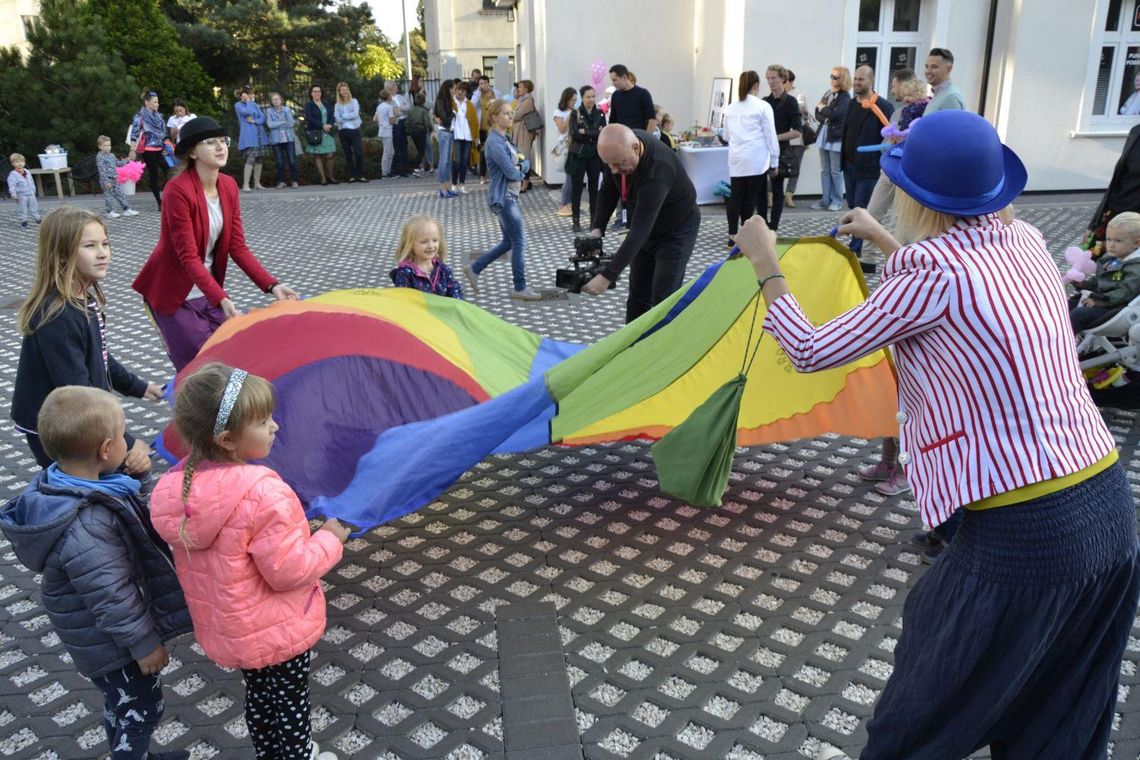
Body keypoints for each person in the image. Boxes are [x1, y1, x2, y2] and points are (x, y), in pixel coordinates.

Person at [737, 109, 1139, 760]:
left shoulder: (929, 271)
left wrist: (765, 262)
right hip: (1110, 513)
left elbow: (811, 350)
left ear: (911, 195)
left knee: (914, 728)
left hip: (1027, 535)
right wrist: (880, 238)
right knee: (1056, 728)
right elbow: (960, 291)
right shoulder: (1027, 243)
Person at [149, 363, 349, 760]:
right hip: (277, 628)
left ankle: (269, 753)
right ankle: (298, 755)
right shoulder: (262, 492)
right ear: (227, 438)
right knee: (291, 703)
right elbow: (289, 570)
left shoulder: (178, 487)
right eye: (262, 421)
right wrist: (330, 538)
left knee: (260, 696)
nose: (274, 426)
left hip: (235, 629)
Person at [0, 386, 192, 760]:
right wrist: (144, 644)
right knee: (141, 710)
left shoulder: (75, 483)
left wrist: (142, 479)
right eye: (123, 435)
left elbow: (130, 514)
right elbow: (111, 594)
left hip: (101, 634)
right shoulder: (85, 523)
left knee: (121, 704)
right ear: (105, 449)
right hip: (112, 643)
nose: (126, 442)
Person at [132, 117, 300, 372]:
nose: (221, 147)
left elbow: (237, 246)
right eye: (210, 143)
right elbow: (188, 256)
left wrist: (272, 284)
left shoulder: (229, 185)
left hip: (207, 291)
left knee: (228, 359)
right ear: (192, 152)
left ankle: (227, 412)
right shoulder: (177, 190)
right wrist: (221, 297)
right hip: (174, 294)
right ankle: (190, 411)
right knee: (200, 370)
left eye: (223, 141)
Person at [13, 204, 162, 471]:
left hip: (80, 416)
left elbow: (100, 356)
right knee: (83, 492)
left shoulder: (84, 299)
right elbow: (79, 392)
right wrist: (126, 444)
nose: (103, 253)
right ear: (61, 255)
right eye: (90, 246)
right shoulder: (58, 315)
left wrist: (138, 386)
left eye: (105, 243)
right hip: (58, 429)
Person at [582, 124, 700, 323]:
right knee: (638, 295)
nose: (613, 169)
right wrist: (597, 229)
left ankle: (664, 349)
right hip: (646, 227)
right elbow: (609, 190)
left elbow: (639, 230)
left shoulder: (658, 169)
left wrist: (607, 276)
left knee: (664, 297)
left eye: (618, 164)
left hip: (676, 231)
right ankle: (633, 348)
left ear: (636, 148)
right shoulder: (615, 153)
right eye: (609, 164)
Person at [465, 99, 541, 301]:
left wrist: (522, 167)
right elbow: (513, 172)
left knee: (508, 242)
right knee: (519, 241)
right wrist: (521, 168)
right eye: (506, 113)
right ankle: (520, 287)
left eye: (511, 113)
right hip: (504, 198)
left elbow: (525, 161)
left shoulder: (505, 138)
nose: (510, 116)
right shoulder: (494, 142)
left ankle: (474, 268)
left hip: (509, 197)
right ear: (494, 117)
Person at [841, 65, 893, 260]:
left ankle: (856, 251)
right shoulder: (852, 104)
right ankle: (856, 247)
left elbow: (890, 136)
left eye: (861, 79)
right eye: (855, 79)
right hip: (849, 165)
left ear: (871, 81)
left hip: (869, 168)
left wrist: (878, 157)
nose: (856, 82)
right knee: (853, 206)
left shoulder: (883, 106)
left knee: (863, 210)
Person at [722, 70, 779, 248]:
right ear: (756, 85)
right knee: (752, 197)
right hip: (756, 157)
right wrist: (774, 160)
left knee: (736, 195)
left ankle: (732, 235)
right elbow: (770, 135)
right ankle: (746, 234)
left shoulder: (731, 107)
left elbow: (726, 135)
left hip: (736, 157)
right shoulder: (762, 106)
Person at [1070, 211, 1140, 331]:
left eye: (1118, 241)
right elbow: (1099, 282)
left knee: (1078, 314)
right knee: (1068, 304)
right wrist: (1081, 284)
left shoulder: (1135, 266)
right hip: (1105, 302)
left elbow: (1125, 292)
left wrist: (1099, 301)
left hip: (1117, 308)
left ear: (1137, 243)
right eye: (1109, 239)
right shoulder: (1111, 261)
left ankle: (1065, 344)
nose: (1111, 245)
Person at [865, 69, 918, 223]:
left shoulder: (924, 112)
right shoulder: (897, 113)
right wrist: (889, 143)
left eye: (894, 86)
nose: (892, 90)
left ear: (904, 85)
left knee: (904, 221)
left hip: (907, 175)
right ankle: (865, 247)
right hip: (888, 172)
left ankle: (904, 247)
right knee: (872, 214)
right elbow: (885, 143)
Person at [763, 65, 803, 232]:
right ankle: (763, 223)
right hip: (763, 151)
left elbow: (797, 131)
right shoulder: (764, 102)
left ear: (783, 79)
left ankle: (774, 226)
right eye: (768, 78)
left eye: (774, 78)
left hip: (781, 151)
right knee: (761, 190)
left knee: (777, 189)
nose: (771, 82)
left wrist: (775, 138)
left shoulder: (791, 102)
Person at [1088, 121, 1140, 249]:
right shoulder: (1136, 132)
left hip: (1135, 224)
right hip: (1115, 211)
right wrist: (1093, 224)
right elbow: (1118, 178)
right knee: (1091, 257)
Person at [389, 215, 464, 298]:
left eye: (435, 240)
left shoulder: (443, 270)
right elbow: (404, 301)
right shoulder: (405, 274)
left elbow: (456, 294)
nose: (431, 246)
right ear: (409, 244)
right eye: (424, 242)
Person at [566, 85, 607, 233]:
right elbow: (575, 134)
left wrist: (587, 133)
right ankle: (575, 221)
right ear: (582, 98)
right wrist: (594, 133)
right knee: (576, 189)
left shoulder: (600, 114)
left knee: (594, 189)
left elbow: (604, 133)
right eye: (588, 97)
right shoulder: (575, 114)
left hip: (595, 155)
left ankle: (593, 220)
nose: (591, 99)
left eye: (593, 96)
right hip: (579, 155)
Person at [813, 67, 851, 211]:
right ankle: (825, 200)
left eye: (836, 77)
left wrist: (823, 108)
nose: (832, 79)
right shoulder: (828, 93)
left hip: (836, 137)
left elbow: (836, 115)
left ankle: (837, 200)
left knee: (835, 170)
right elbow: (818, 114)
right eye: (832, 76)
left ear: (843, 79)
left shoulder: (845, 97)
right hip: (824, 134)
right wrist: (824, 111)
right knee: (825, 170)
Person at [128, 90, 169, 208]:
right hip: (148, 150)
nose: (157, 104)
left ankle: (166, 196)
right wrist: (132, 150)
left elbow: (164, 133)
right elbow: (134, 134)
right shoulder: (140, 116)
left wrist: (166, 145)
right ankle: (159, 202)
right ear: (147, 102)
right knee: (153, 175)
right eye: (154, 102)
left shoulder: (159, 116)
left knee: (170, 172)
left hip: (160, 149)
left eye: (158, 102)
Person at [233, 86, 268, 192]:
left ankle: (257, 183)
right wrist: (248, 101)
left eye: (250, 94)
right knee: (250, 158)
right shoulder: (238, 105)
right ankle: (246, 185)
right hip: (249, 136)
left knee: (259, 158)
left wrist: (255, 121)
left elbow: (262, 118)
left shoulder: (255, 105)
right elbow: (247, 112)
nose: (251, 96)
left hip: (260, 135)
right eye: (249, 94)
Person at [95, 135, 138, 219]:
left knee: (120, 194)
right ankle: (110, 212)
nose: (108, 147)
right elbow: (102, 170)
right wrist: (106, 181)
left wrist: (128, 159)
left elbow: (118, 164)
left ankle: (127, 209)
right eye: (105, 145)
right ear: (100, 146)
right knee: (109, 196)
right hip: (107, 180)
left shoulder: (112, 155)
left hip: (115, 178)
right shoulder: (99, 157)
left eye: (109, 145)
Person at [303, 84, 339, 186]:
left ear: (321, 93)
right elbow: (309, 118)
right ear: (311, 93)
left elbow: (332, 116)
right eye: (314, 91)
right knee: (317, 155)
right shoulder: (309, 105)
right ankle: (323, 178)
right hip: (316, 133)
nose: (317, 93)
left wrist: (329, 125)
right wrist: (322, 125)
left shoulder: (326, 103)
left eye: (318, 91)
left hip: (328, 132)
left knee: (330, 155)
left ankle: (331, 177)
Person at [783, 69, 808, 208]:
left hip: (798, 136)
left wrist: (803, 111)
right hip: (783, 135)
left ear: (791, 82)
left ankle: (789, 194)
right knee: (777, 164)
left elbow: (805, 117)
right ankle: (771, 194)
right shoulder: (779, 95)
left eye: (785, 81)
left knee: (795, 166)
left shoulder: (800, 94)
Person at [264, 92, 299, 188]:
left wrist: (277, 123)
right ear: (271, 102)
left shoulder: (287, 110)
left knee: (292, 160)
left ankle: (294, 181)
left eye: (277, 99)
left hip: (288, 138)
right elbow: (270, 125)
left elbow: (291, 123)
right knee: (280, 161)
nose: (276, 101)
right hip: (276, 139)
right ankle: (281, 181)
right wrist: (283, 121)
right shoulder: (269, 111)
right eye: (273, 100)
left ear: (281, 100)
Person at [607, 64, 656, 131]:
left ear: (624, 77)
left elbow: (652, 120)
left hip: (638, 137)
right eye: (612, 80)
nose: (613, 84)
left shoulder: (643, 94)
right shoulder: (615, 95)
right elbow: (612, 120)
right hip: (620, 137)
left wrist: (645, 139)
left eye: (615, 80)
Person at [334, 82, 366, 183]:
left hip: (354, 130)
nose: (345, 91)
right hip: (343, 131)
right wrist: (348, 116)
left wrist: (344, 116)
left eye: (346, 89)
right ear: (339, 92)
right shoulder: (337, 105)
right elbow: (337, 118)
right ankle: (352, 176)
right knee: (347, 154)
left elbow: (356, 114)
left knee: (358, 153)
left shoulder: (354, 101)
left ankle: (360, 175)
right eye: (343, 90)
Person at [553, 86, 578, 216]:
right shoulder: (559, 112)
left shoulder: (576, 110)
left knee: (574, 177)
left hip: (576, 144)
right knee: (569, 176)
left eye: (575, 100)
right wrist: (570, 115)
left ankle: (571, 204)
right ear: (566, 99)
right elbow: (562, 129)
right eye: (572, 100)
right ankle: (564, 204)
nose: (574, 102)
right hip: (565, 145)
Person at [510, 80, 538, 193]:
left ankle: (525, 183)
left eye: (520, 87)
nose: (518, 89)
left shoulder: (528, 101)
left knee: (523, 157)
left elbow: (516, 115)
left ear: (526, 88)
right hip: (519, 132)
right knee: (520, 156)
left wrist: (512, 114)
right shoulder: (521, 99)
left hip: (524, 133)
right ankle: (525, 181)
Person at [452, 81, 478, 193]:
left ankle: (462, 184)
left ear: (466, 92)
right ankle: (453, 183)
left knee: (464, 161)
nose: (460, 92)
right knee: (456, 161)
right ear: (455, 90)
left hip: (467, 136)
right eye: (459, 90)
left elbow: (475, 122)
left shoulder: (470, 105)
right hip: (456, 135)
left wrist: (476, 137)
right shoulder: (451, 102)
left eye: (463, 91)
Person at [434, 79, 458, 198]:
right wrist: (453, 114)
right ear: (448, 88)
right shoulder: (440, 101)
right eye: (453, 88)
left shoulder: (450, 101)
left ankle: (447, 186)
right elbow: (444, 118)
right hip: (444, 132)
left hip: (450, 132)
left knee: (448, 161)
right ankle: (442, 187)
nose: (455, 90)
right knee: (443, 161)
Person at [925, 47, 965, 113]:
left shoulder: (951, 98)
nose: (928, 71)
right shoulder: (940, 94)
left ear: (949, 69)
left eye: (934, 67)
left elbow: (951, 123)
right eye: (926, 66)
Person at [8, 152, 42, 228]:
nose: (20, 164)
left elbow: (31, 181)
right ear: (13, 164)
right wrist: (13, 193)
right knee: (23, 208)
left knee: (34, 206)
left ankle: (37, 218)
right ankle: (24, 220)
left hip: (30, 192)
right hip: (21, 194)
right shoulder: (13, 174)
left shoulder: (27, 171)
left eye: (22, 162)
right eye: (17, 162)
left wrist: (33, 190)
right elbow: (11, 185)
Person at [406, 92, 433, 178]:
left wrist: (409, 130)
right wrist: (430, 129)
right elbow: (427, 123)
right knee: (421, 150)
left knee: (418, 150)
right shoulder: (424, 111)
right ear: (424, 101)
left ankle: (418, 168)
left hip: (413, 132)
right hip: (421, 131)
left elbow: (407, 121)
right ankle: (416, 168)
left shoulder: (411, 110)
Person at [389, 80, 411, 177]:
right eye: (395, 85)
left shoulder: (400, 97)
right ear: (390, 87)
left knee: (404, 146)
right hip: (396, 124)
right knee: (397, 146)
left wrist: (401, 109)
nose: (397, 87)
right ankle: (396, 169)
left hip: (403, 123)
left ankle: (405, 169)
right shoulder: (388, 99)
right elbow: (393, 113)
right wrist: (401, 111)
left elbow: (409, 107)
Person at [375, 89, 397, 180]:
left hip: (382, 130)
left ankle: (387, 172)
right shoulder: (389, 107)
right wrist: (395, 115)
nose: (391, 96)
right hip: (387, 131)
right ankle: (385, 173)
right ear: (388, 97)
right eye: (390, 95)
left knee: (390, 152)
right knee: (388, 152)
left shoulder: (379, 106)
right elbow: (392, 121)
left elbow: (376, 118)